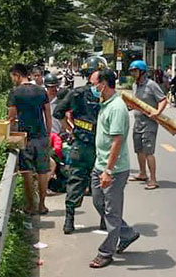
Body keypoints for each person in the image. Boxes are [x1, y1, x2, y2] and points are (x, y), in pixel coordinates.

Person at [88, 69, 140, 269]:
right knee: (98, 202)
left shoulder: (117, 107)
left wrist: (108, 171)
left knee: (111, 212)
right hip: (99, 165)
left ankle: (105, 252)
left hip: (114, 169)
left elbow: (117, 141)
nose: (93, 88)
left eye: (94, 84)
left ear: (104, 84)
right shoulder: (105, 103)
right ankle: (126, 233)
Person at [53, 56, 106, 235]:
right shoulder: (107, 94)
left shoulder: (76, 94)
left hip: (81, 143)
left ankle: (69, 220)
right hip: (100, 146)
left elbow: (58, 111)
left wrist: (71, 128)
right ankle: (104, 220)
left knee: (76, 180)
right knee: (102, 183)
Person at [7, 63, 52, 215]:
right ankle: (42, 205)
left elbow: (11, 118)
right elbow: (48, 114)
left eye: (13, 77)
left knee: (26, 171)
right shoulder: (41, 91)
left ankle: (31, 206)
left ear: (17, 75)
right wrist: (49, 134)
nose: (12, 80)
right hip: (41, 136)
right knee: (42, 172)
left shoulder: (15, 93)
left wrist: (10, 137)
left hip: (24, 137)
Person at [128, 60, 167, 190]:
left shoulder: (151, 85)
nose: (133, 73)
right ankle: (142, 173)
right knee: (139, 150)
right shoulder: (135, 85)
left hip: (149, 123)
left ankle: (153, 179)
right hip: (138, 122)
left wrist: (157, 112)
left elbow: (163, 100)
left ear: (142, 72)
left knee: (148, 151)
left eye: (135, 71)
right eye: (132, 71)